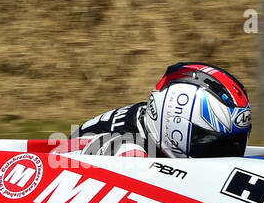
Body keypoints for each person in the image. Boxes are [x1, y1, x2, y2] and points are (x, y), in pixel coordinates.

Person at [76, 62, 252, 158]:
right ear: (177, 130)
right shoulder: (127, 152)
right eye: (218, 147)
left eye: (236, 143)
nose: (229, 155)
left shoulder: (154, 130)